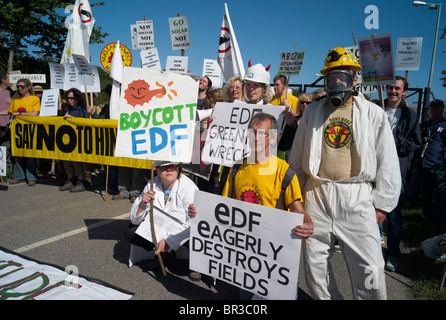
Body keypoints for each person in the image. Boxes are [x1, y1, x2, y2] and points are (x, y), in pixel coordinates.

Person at [289, 47, 401, 300]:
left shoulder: (373, 114)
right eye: (331, 77)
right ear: (325, 80)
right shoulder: (313, 112)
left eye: (344, 76)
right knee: (315, 265)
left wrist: (382, 205)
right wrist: (295, 199)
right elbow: (296, 158)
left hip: (357, 195)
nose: (337, 82)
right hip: (316, 193)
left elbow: (388, 161)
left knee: (370, 265)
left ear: (355, 78)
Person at [218, 112, 313, 299]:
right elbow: (223, 206)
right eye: (252, 133)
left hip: (274, 252)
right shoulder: (237, 168)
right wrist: (202, 213)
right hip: (244, 250)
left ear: (274, 137)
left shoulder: (284, 171)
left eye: (262, 134)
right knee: (245, 297)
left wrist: (307, 224)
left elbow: (298, 210)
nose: (255, 138)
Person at [125, 161, 199, 279]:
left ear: (178, 169)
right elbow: (134, 220)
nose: (168, 170)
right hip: (161, 227)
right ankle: (165, 255)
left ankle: (198, 265)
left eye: (172, 166)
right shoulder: (151, 185)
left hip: (182, 229)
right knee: (131, 232)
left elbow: (193, 223)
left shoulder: (189, 188)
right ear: (157, 170)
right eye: (164, 167)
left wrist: (169, 242)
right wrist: (142, 204)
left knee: (196, 233)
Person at [383, 76, 421, 272]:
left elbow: (415, 142)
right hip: (374, 170)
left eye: (397, 88)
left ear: (404, 91)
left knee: (394, 217)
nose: (393, 91)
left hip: (396, 172)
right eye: (390, 87)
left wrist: (391, 139)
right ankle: (371, 250)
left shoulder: (409, 115)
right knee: (370, 213)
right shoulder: (376, 110)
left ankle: (393, 254)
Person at [0, 79, 40, 186]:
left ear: (28, 87)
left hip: (30, 130)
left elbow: (34, 114)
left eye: (22, 86)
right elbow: (9, 111)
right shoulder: (15, 99)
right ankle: (19, 176)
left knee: (30, 155)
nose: (19, 88)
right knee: (17, 153)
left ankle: (31, 177)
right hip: (17, 131)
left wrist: (20, 114)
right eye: (18, 86)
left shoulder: (34, 99)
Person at [417, 99, 446, 225]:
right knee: (426, 193)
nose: (434, 109)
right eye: (432, 107)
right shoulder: (425, 124)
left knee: (440, 194)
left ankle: (440, 220)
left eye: (437, 107)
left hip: (439, 165)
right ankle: (428, 218)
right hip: (424, 164)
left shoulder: (444, 125)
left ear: (443, 110)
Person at [59, 88, 90, 192]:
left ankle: (81, 181)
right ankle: (70, 179)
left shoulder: (83, 109)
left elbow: (86, 123)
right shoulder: (67, 108)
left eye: (72, 98)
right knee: (67, 159)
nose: (69, 100)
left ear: (77, 98)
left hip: (79, 139)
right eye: (68, 98)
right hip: (67, 140)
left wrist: (72, 119)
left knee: (77, 161)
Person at [279, 93, 314, 160]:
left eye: (308, 102)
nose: (304, 104)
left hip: (306, 153)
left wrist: (288, 106)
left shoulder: (315, 120)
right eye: (302, 102)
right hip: (290, 153)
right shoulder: (295, 118)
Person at [0, 72, 13, 161]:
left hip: (7, 125)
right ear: (3, 80)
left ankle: (3, 168)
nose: (11, 81)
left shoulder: (12, 93)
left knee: (5, 146)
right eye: (9, 79)